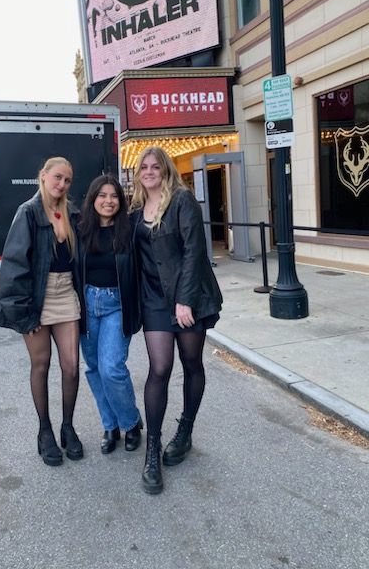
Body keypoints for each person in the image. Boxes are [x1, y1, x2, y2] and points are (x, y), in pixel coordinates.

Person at [130, 146, 222, 494]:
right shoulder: (137, 209)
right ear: (139, 172)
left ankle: (185, 430)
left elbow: (194, 250)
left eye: (156, 166)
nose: (150, 171)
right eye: (144, 166)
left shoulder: (182, 201)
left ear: (166, 170)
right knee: (160, 368)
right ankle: (151, 451)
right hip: (154, 300)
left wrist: (185, 299)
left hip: (187, 297)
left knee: (191, 362)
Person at [0, 157, 83, 467]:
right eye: (57, 177)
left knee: (71, 367)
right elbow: (14, 264)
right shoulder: (28, 212)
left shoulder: (72, 212)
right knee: (41, 365)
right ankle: (44, 431)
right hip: (36, 296)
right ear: (43, 176)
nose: (62, 184)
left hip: (65, 293)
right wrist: (23, 313)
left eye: (68, 180)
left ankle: (67, 426)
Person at [76, 174, 143, 454]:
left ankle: (131, 422)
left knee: (112, 368)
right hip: (87, 304)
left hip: (117, 303)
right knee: (93, 368)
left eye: (114, 196)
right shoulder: (79, 230)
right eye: (102, 195)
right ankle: (110, 424)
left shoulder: (131, 229)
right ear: (93, 199)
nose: (108, 201)